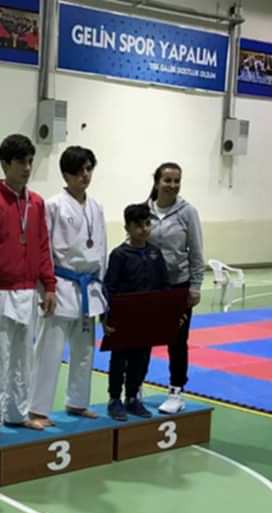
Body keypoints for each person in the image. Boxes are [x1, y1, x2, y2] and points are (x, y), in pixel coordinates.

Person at [0, 134, 56, 430]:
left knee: (23, 359)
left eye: (30, 162)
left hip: (28, 291)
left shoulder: (37, 203)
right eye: (21, 162)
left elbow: (42, 245)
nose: (27, 168)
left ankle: (18, 414)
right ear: (5, 164)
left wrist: (49, 285)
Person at [30, 146, 107, 424]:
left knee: (84, 351)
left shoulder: (96, 207)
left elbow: (101, 250)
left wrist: (102, 289)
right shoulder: (52, 205)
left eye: (89, 169)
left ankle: (78, 402)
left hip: (89, 288)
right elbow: (43, 249)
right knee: (49, 352)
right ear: (66, 174)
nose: (85, 175)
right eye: (79, 171)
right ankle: (37, 409)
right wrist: (45, 288)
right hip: (61, 285)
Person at [147, 162, 205, 414]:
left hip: (178, 286)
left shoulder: (187, 212)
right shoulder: (145, 210)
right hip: (149, 287)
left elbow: (197, 251)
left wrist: (195, 286)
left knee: (177, 341)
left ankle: (176, 391)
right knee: (141, 339)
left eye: (176, 181)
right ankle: (134, 388)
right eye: (167, 180)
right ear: (157, 181)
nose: (172, 185)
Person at [103, 204, 169, 420]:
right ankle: (114, 399)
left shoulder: (155, 253)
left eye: (147, 224)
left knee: (141, 359)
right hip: (123, 318)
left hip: (147, 318)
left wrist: (165, 313)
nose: (144, 229)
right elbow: (109, 287)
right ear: (127, 228)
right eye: (138, 225)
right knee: (119, 360)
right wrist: (106, 317)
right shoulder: (119, 255)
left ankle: (132, 397)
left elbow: (164, 285)